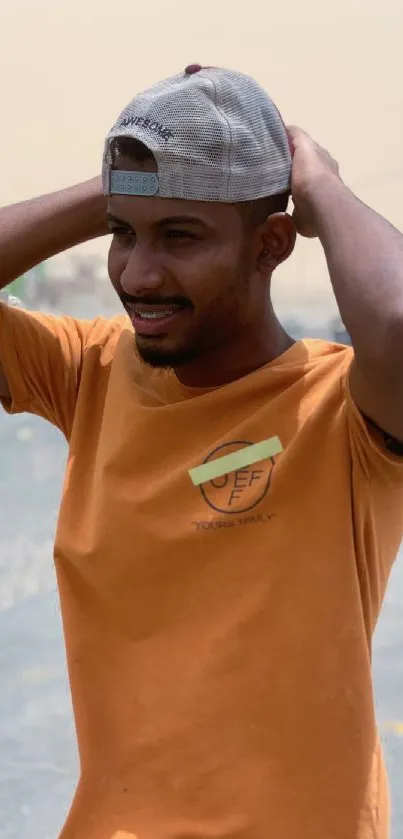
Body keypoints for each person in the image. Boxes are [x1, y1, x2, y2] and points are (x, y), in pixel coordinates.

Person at [0, 65, 403, 839]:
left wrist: (316, 181)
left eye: (180, 236)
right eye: (125, 234)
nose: (138, 274)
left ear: (270, 246)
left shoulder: (342, 412)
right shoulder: (87, 370)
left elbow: (393, 317)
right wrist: (117, 189)